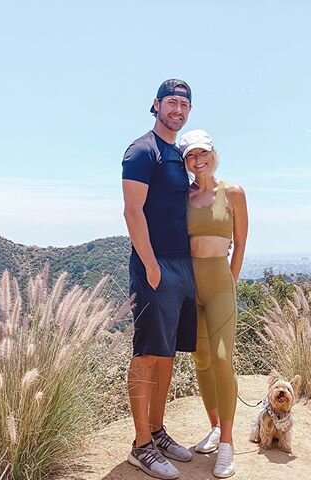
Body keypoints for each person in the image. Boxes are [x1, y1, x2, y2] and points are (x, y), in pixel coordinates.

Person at [121, 79, 197, 480]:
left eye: (184, 104)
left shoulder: (178, 155)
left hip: (184, 267)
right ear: (155, 105)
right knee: (147, 352)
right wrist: (151, 265)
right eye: (171, 102)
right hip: (155, 265)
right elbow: (133, 212)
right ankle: (140, 445)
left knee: (167, 354)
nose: (178, 110)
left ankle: (157, 429)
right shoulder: (142, 150)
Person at [178, 129, 248, 478]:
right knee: (202, 359)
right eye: (190, 156)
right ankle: (216, 427)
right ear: (185, 162)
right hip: (191, 287)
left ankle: (227, 445)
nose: (197, 160)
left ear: (212, 153)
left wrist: (229, 283)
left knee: (222, 359)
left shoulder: (232, 193)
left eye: (201, 153)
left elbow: (241, 243)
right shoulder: (184, 196)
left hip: (220, 284)